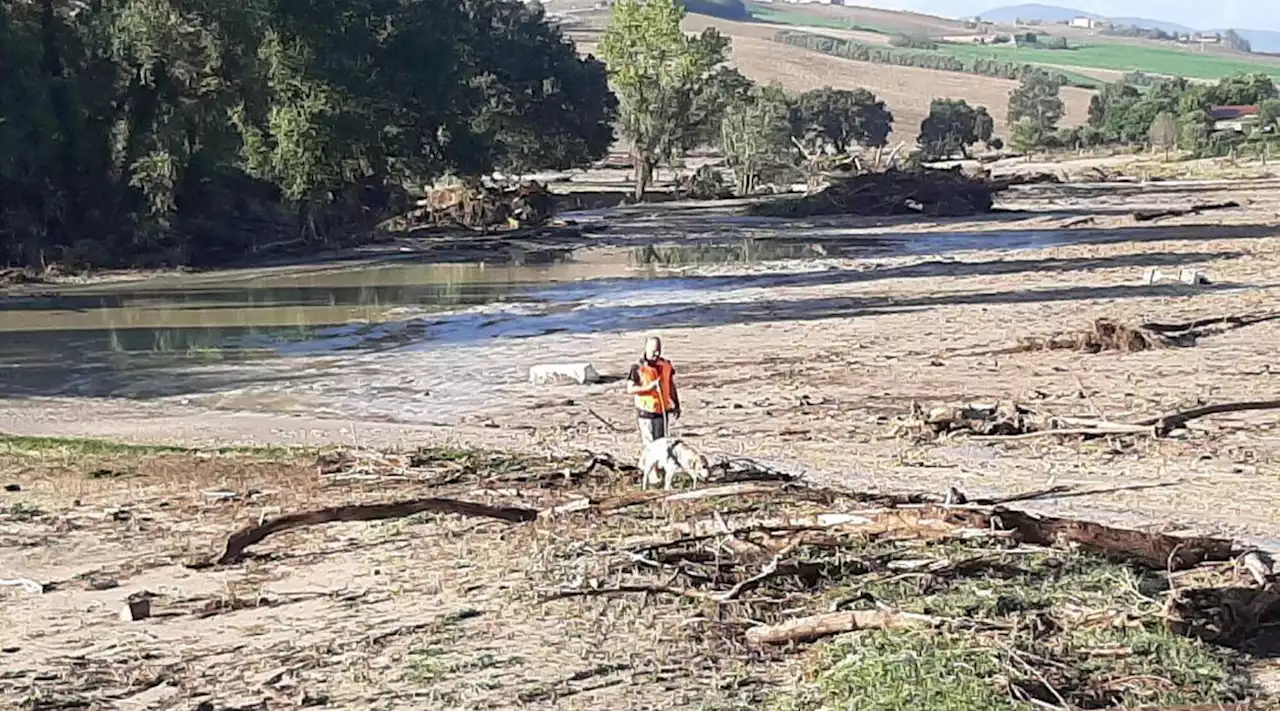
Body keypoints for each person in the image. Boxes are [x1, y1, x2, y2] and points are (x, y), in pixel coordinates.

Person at [627, 335, 681, 446]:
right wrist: (649, 388)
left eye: (659, 351)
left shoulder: (666, 365)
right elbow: (630, 389)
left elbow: (671, 385)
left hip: (662, 413)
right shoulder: (638, 367)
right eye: (654, 351)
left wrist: (676, 404)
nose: (657, 354)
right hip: (646, 414)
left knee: (662, 445)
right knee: (650, 447)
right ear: (646, 349)